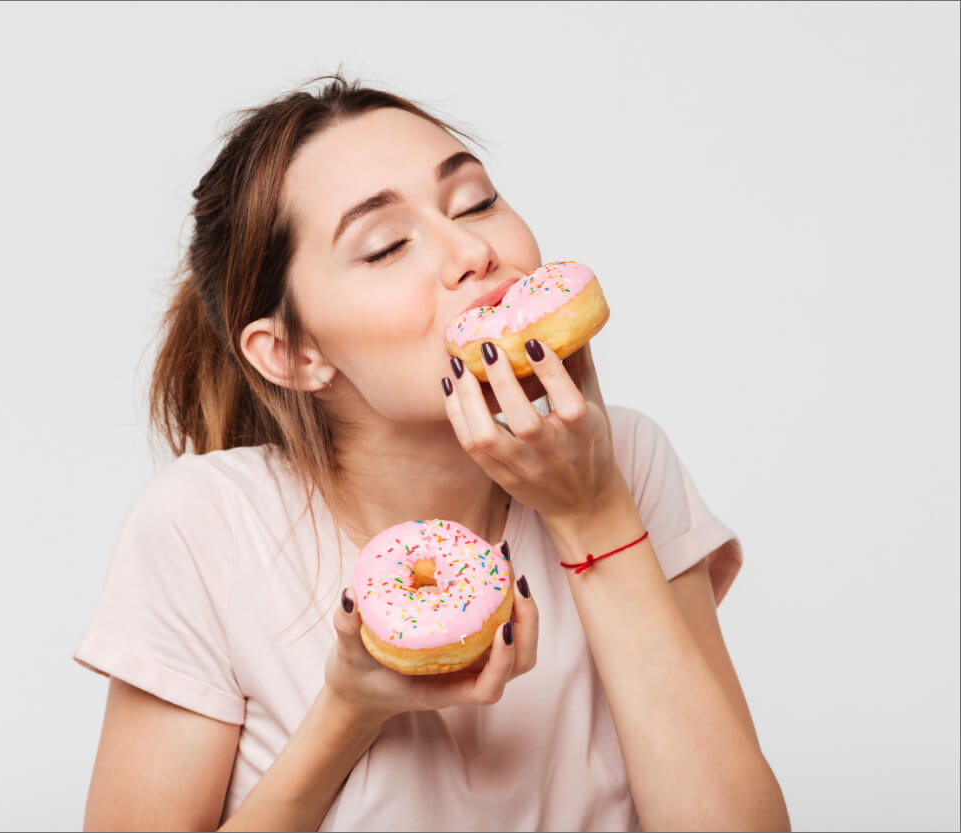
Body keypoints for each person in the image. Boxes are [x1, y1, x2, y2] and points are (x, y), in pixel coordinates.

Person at [74, 72, 790, 832]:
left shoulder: (624, 458)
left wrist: (593, 513)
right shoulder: (205, 527)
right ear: (292, 353)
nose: (473, 250)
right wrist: (349, 709)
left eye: (475, 201)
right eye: (385, 246)